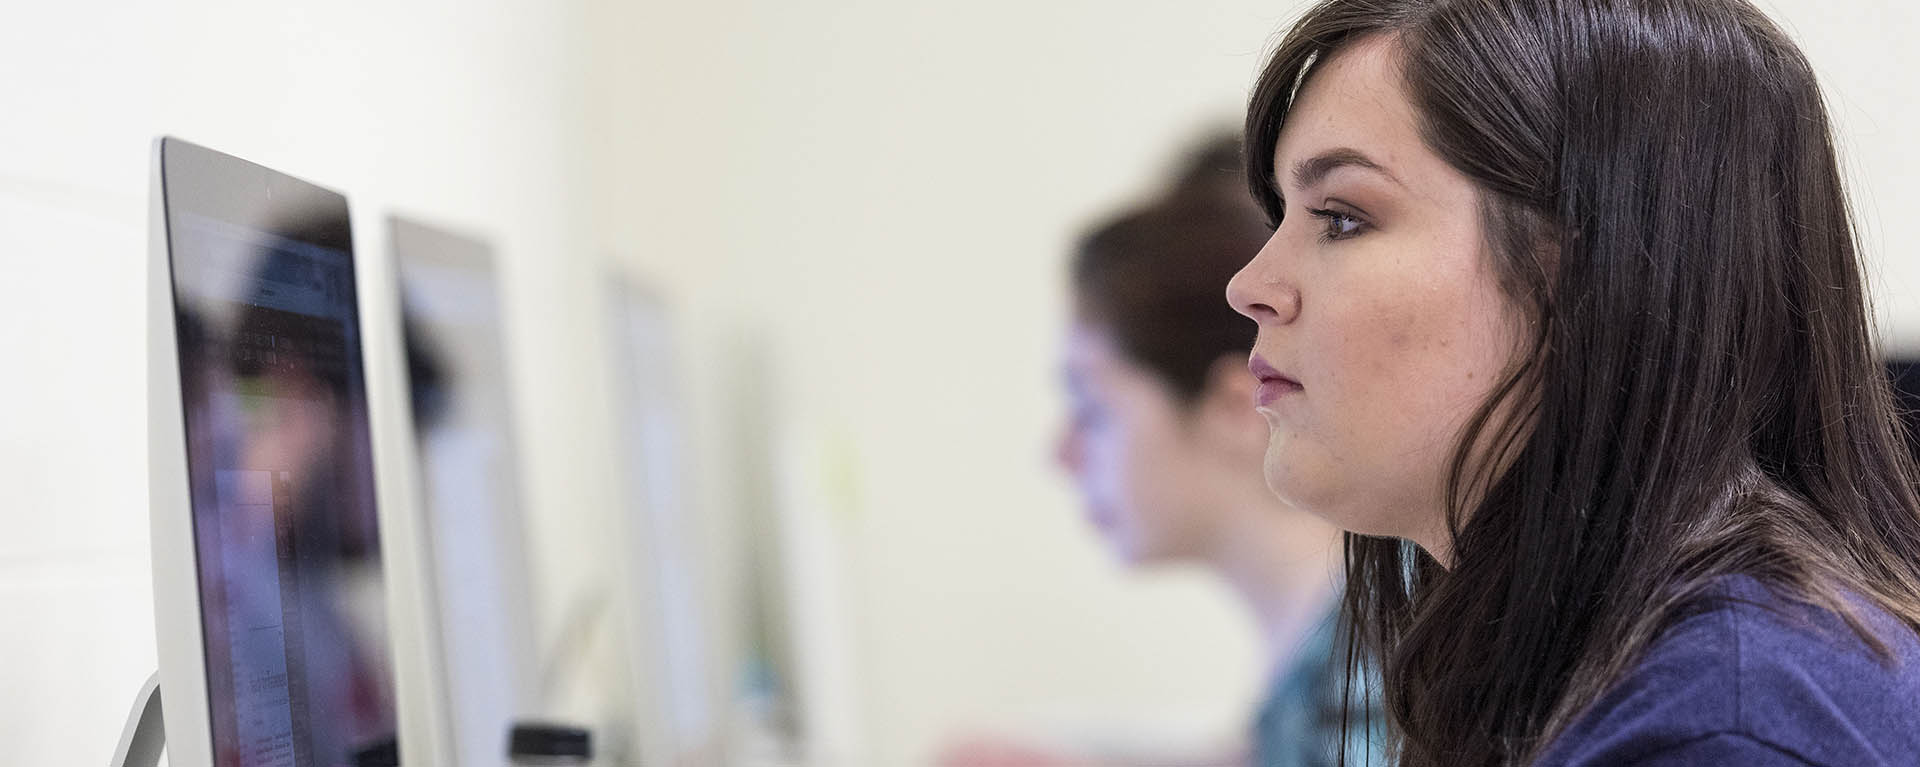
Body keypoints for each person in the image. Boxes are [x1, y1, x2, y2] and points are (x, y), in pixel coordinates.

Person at [1223, 1, 1920, 765]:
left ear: (1592, 267)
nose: (1252, 285)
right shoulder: (1619, 665)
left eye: (1343, 217)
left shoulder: (1724, 725)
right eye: (1280, 217)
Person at [943, 136, 1379, 767]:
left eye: (1092, 407)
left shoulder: (1360, 689)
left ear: (1236, 406)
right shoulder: (1328, 662)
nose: (1061, 455)